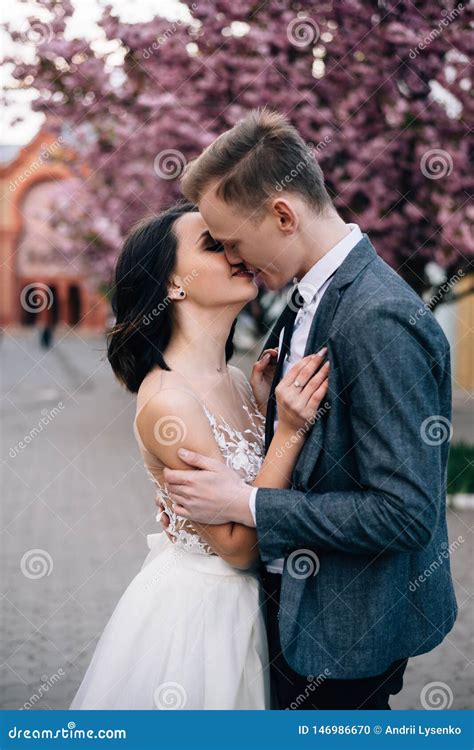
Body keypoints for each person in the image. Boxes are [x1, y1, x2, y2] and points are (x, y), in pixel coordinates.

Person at [162, 109, 458, 710]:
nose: (236, 260)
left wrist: (243, 502)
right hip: (298, 616)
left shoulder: (376, 316)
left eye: (235, 242)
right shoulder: (309, 296)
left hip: (346, 636)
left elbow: (404, 516)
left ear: (282, 214)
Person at [70, 202, 329, 710]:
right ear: (172, 285)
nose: (236, 253)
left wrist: (261, 409)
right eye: (214, 246)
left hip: (263, 610)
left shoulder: (234, 378)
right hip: (207, 624)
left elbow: (251, 484)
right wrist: (290, 431)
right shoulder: (170, 401)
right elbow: (236, 547)